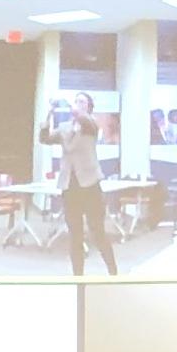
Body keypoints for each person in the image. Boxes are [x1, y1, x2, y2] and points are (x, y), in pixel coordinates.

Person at [58, 111, 116, 277]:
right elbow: (45, 138)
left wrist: (80, 114)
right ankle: (78, 277)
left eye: (82, 102)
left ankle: (113, 272)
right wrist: (47, 117)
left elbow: (88, 123)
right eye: (77, 101)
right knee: (75, 234)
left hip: (90, 185)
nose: (78, 104)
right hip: (70, 187)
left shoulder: (91, 126)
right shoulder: (66, 129)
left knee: (97, 231)